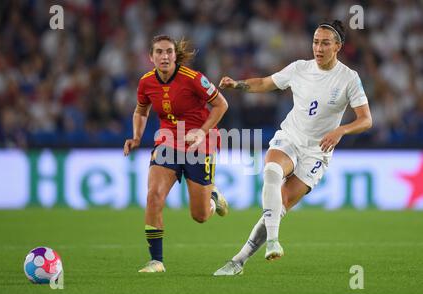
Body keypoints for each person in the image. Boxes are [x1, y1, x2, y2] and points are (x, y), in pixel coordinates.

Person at [213, 20, 372, 276]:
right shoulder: (299, 68)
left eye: (325, 43)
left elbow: (366, 120)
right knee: (272, 171)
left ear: (338, 47)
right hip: (291, 136)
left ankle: (239, 261)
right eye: (315, 42)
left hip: (318, 151)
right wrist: (237, 85)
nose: (318, 48)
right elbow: (266, 83)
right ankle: (273, 241)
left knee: (282, 202)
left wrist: (341, 130)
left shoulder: (349, 78)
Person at [124, 35, 229, 273]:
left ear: (175, 55)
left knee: (200, 216)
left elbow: (222, 104)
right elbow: (141, 111)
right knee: (153, 196)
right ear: (151, 57)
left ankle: (213, 197)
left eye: (169, 51)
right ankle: (156, 261)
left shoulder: (194, 79)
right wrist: (136, 137)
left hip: (198, 144)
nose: (164, 56)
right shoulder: (146, 82)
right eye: (159, 52)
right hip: (167, 142)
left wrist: (202, 132)